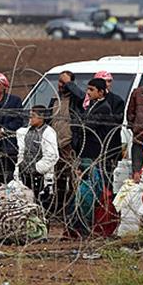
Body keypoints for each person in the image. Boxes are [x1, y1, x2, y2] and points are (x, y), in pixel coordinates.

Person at [48, 71, 84, 213]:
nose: (61, 85)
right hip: (54, 145)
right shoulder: (54, 99)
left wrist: (69, 84)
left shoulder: (76, 100)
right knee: (58, 179)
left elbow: (82, 97)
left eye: (64, 82)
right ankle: (58, 208)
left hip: (69, 144)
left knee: (73, 178)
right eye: (60, 81)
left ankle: (73, 210)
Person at [15, 105, 59, 207]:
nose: (30, 118)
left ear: (41, 117)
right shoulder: (26, 131)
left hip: (40, 177)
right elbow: (21, 152)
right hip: (25, 175)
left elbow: (52, 156)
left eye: (33, 116)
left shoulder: (48, 132)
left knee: (40, 206)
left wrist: (36, 168)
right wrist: (20, 168)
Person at [93, 70, 125, 183]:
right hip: (92, 146)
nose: (107, 84)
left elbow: (116, 122)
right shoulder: (89, 101)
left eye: (109, 81)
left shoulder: (117, 101)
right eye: (104, 81)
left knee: (108, 178)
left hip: (110, 145)